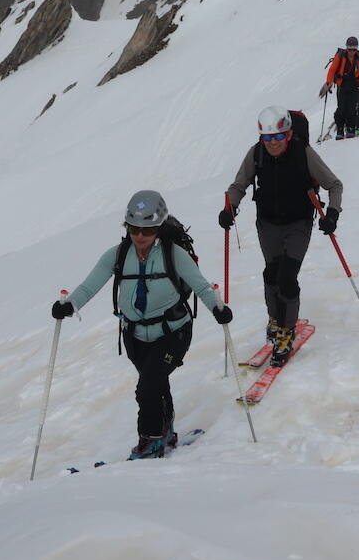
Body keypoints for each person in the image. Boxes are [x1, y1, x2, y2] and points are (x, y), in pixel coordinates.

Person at [52, 191, 232, 459]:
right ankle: (166, 431)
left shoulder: (174, 254)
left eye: (147, 230)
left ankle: (150, 439)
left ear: (159, 227)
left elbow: (201, 286)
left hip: (173, 332)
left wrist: (218, 308)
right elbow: (90, 285)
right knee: (155, 383)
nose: (139, 235)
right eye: (133, 228)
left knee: (148, 385)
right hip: (134, 336)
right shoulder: (117, 255)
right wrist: (70, 305)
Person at [218, 107, 344, 365]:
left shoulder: (303, 153)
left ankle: (286, 331)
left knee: (287, 277)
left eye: (277, 137)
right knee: (271, 274)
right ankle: (275, 319)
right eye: (267, 137)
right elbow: (239, 185)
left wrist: (332, 213)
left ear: (288, 134)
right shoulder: (256, 154)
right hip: (267, 224)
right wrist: (229, 208)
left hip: (298, 223)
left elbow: (334, 184)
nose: (272, 143)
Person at [319, 36, 359, 140]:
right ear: (347, 48)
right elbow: (332, 70)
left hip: (355, 85)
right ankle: (340, 130)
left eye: (354, 49)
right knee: (341, 108)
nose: (351, 51)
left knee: (352, 108)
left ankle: (350, 129)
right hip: (342, 85)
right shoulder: (340, 56)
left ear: (356, 48)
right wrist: (329, 81)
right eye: (350, 49)